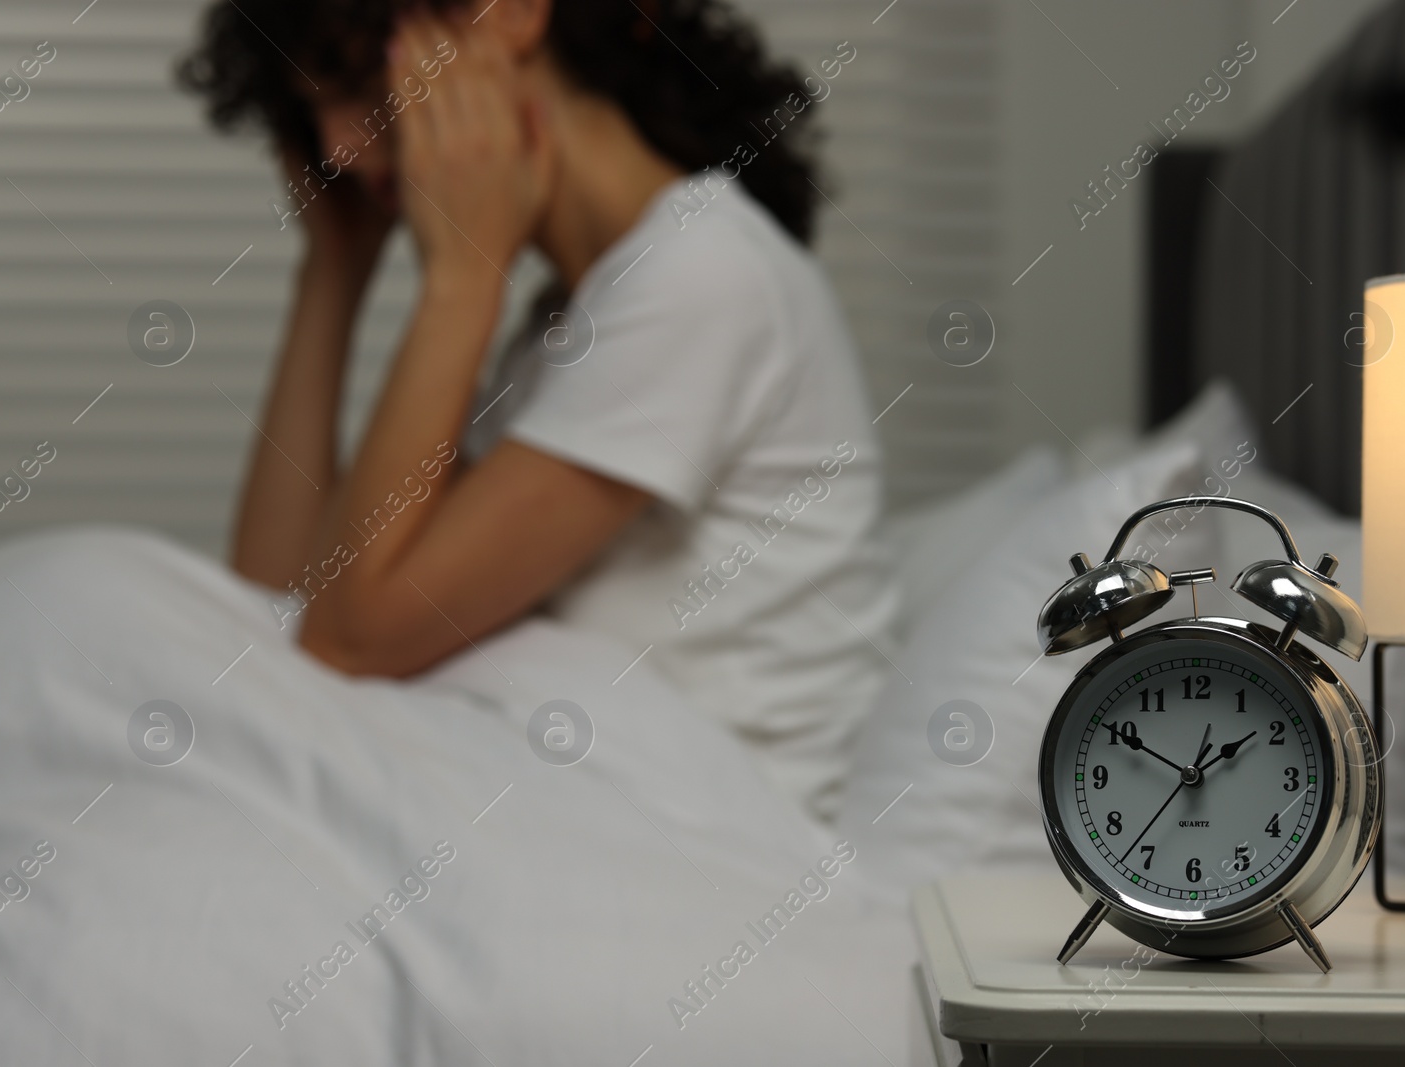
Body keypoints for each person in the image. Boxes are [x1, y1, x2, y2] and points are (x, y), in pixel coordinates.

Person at [180, 0, 897, 817]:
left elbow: (348, 642)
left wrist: (463, 276)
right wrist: (332, 272)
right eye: (314, 115)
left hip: (716, 843)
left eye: (354, 80)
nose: (338, 147)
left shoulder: (704, 275)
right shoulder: (569, 321)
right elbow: (276, 609)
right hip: (604, 820)